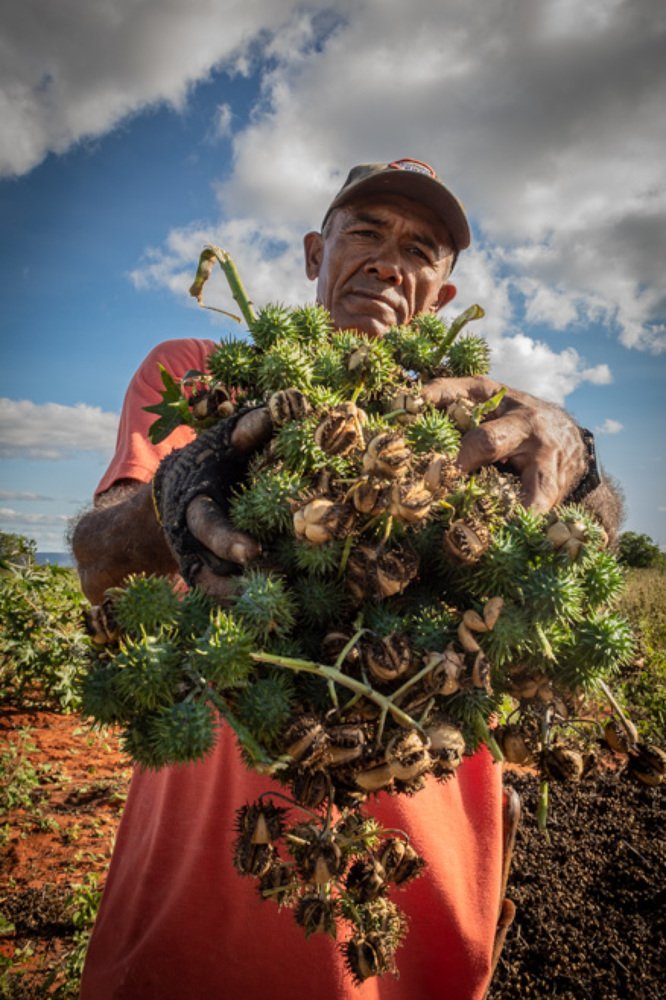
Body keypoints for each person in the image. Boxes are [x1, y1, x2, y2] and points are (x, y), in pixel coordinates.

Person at [73, 158, 618, 1000]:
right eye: (366, 231)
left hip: (420, 911)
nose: (388, 259)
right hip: (186, 921)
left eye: (421, 248)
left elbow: (594, 535)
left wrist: (578, 454)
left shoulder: (487, 422)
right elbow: (99, 567)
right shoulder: (196, 376)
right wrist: (171, 498)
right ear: (313, 252)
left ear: (440, 296)